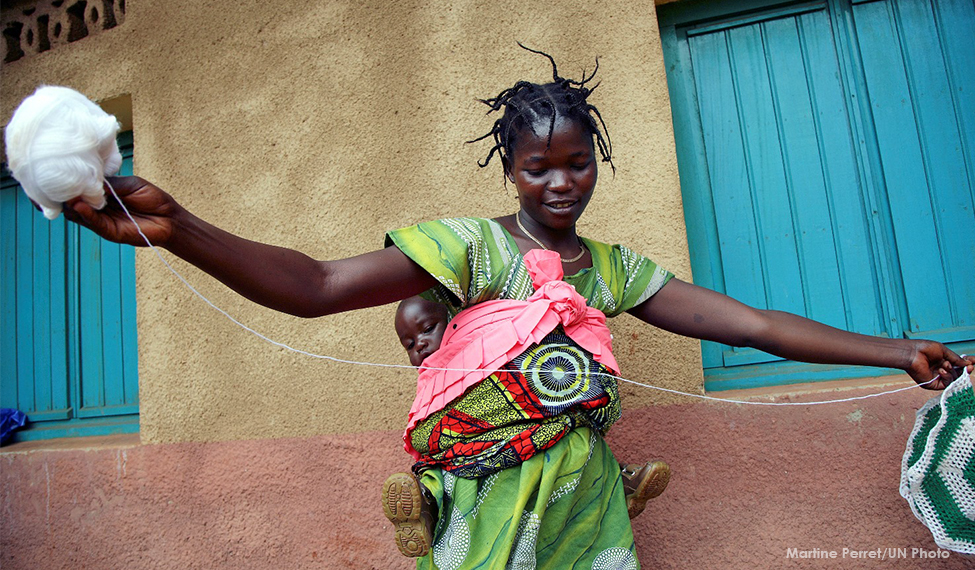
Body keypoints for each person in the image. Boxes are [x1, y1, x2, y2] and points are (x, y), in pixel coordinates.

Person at [58, 46, 973, 569]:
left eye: (576, 162)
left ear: (593, 161)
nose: (560, 182)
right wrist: (178, 229)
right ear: (510, 170)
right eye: (539, 167)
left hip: (581, 501)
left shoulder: (612, 269)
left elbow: (749, 326)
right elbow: (316, 288)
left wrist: (892, 351)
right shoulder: (469, 248)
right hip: (486, 492)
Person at [387, 295, 671, 556]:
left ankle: (615, 482)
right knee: (431, 461)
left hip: (517, 429)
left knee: (567, 416)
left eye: (427, 329)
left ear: (453, 320)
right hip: (471, 446)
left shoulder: (475, 346)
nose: (420, 344)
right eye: (409, 344)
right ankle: (426, 505)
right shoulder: (427, 380)